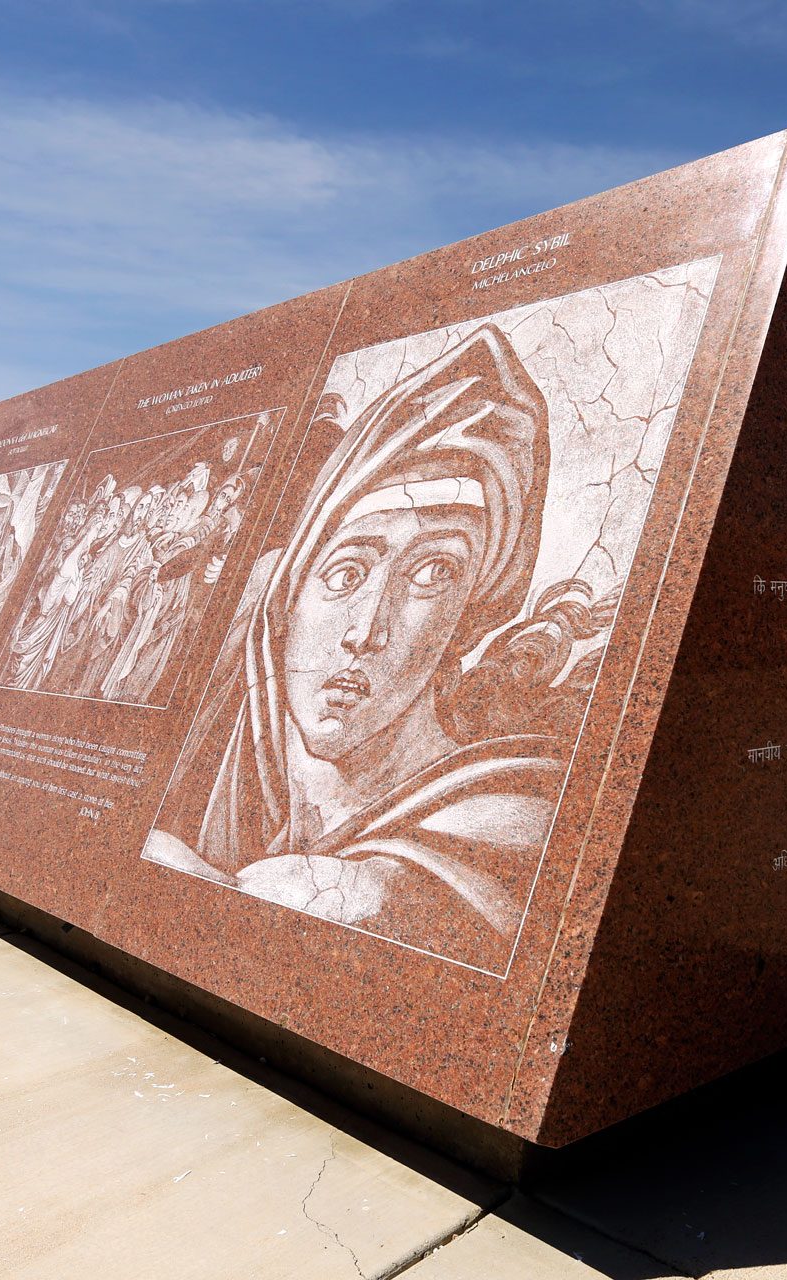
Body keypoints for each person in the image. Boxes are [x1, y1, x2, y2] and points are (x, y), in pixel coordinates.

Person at [144, 323, 587, 969]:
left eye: (433, 574)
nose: (365, 630)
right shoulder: (233, 757)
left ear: (468, 615)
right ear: (289, 599)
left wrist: (378, 892)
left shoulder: (514, 816)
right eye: (346, 574)